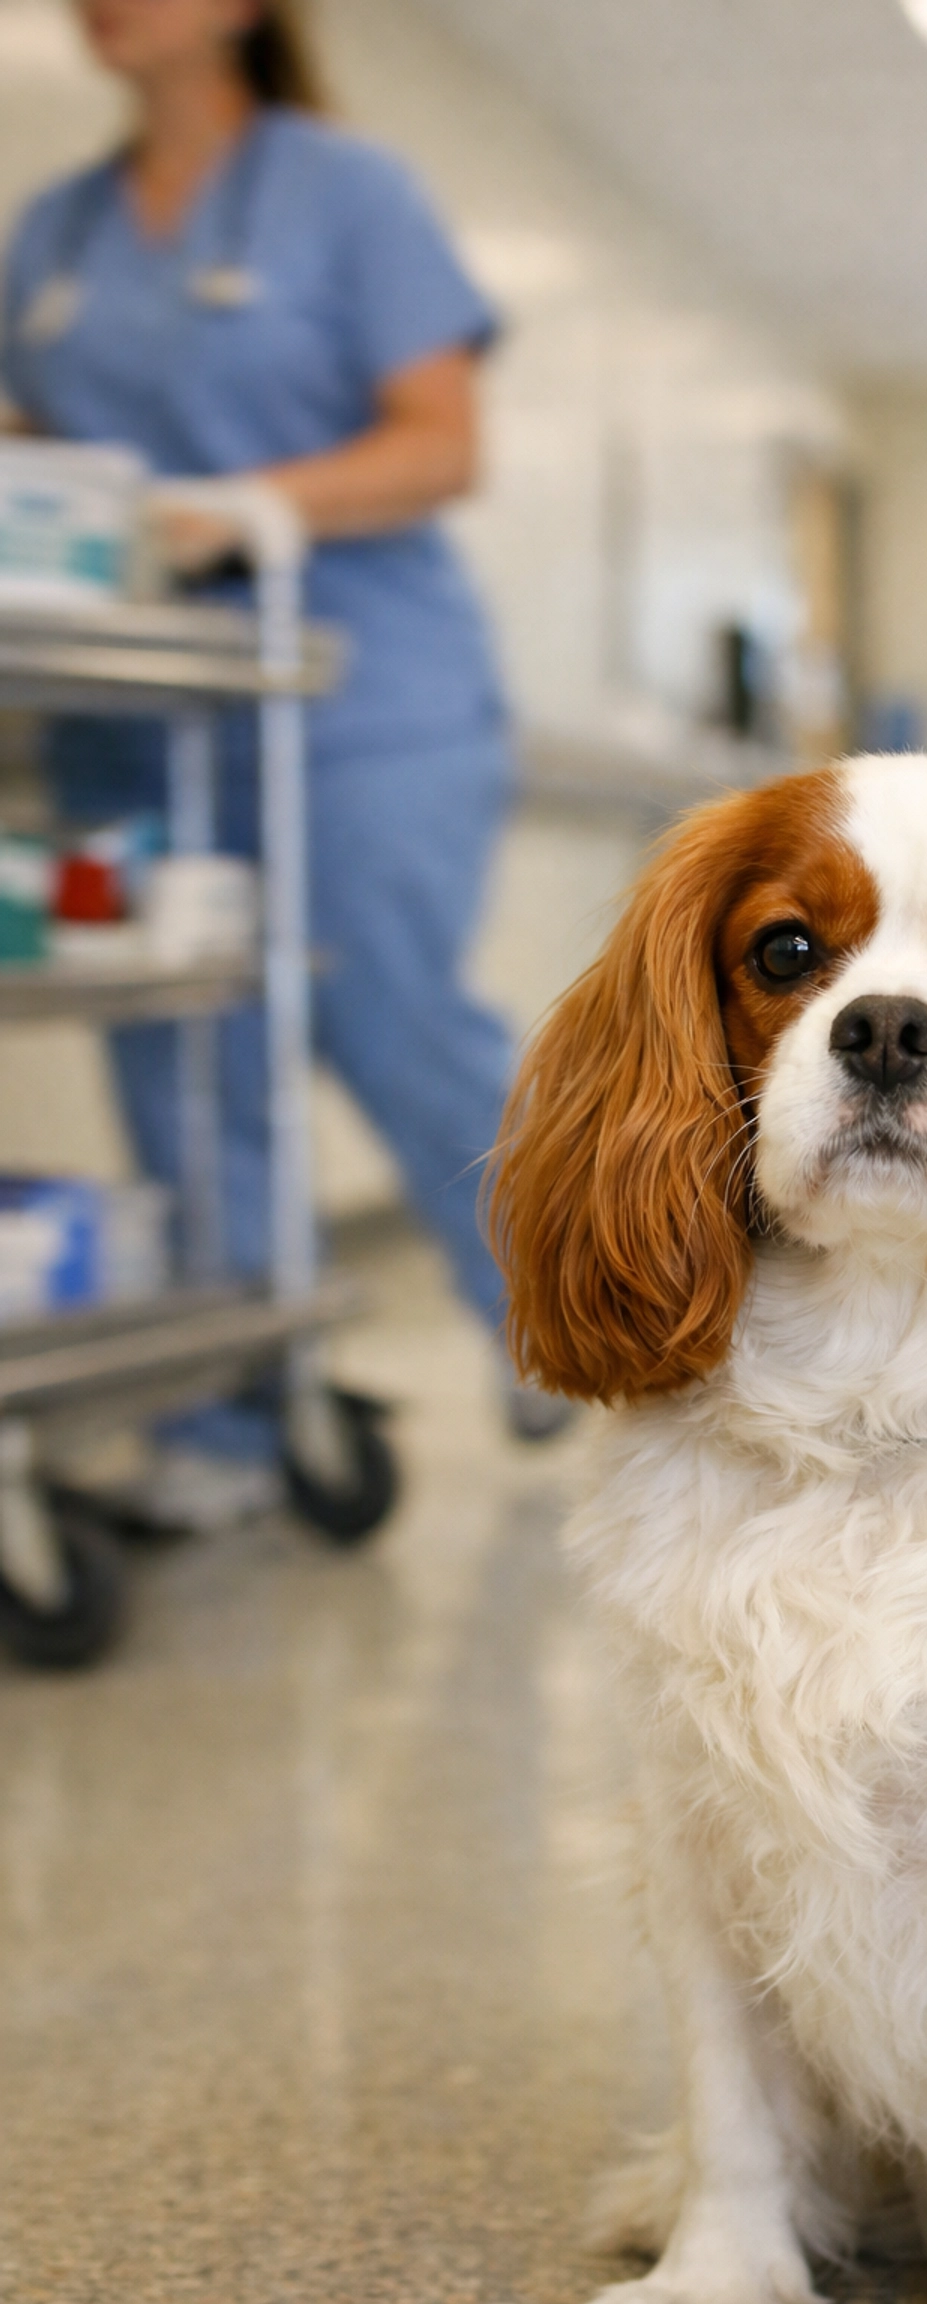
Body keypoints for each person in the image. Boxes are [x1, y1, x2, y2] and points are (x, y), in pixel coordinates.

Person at [0, 0, 567, 1471]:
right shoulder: (56, 235)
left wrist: (253, 508)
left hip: (359, 694)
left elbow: (443, 443)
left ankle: (568, 1323)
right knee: (185, 1052)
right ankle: (234, 1409)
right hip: (136, 710)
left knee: (391, 1014)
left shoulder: (346, 190)